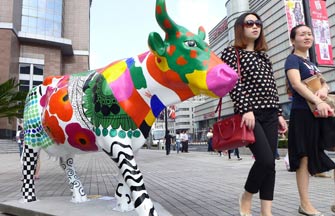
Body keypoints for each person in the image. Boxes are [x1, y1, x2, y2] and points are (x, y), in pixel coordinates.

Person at [220, 12, 287, 216]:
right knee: (265, 160)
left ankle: (266, 212)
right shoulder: (232, 53)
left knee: (271, 164)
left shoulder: (263, 55)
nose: (255, 26)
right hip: (250, 114)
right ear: (241, 27)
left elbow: (271, 86)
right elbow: (233, 84)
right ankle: (247, 195)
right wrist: (246, 109)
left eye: (258, 23)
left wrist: (279, 113)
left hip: (270, 113)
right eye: (250, 23)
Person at [284, 24, 335, 216]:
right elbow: (296, 84)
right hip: (304, 114)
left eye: (309, 34)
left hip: (321, 112)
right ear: (293, 40)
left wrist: (323, 90)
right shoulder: (292, 59)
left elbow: (324, 83)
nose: (307, 36)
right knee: (303, 158)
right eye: (302, 34)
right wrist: (317, 100)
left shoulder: (311, 62)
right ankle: (305, 204)